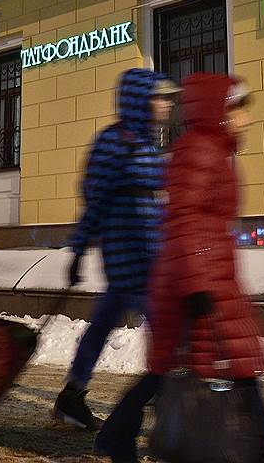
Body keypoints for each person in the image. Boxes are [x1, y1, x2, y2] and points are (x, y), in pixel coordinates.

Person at [95, 73, 264, 462]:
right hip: (198, 281)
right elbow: (184, 220)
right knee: (230, 370)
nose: (247, 118)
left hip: (205, 276)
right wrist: (197, 286)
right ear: (220, 111)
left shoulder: (210, 150)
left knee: (182, 368)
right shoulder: (199, 150)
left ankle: (115, 435)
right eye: (240, 109)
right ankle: (262, 456)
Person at [52, 68, 181, 430]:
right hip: (130, 256)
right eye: (159, 97)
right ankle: (162, 403)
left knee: (105, 322)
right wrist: (79, 250)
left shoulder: (146, 142)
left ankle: (73, 394)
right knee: (167, 328)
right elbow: (94, 200)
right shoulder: (114, 142)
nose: (167, 104)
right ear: (140, 101)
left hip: (145, 253)